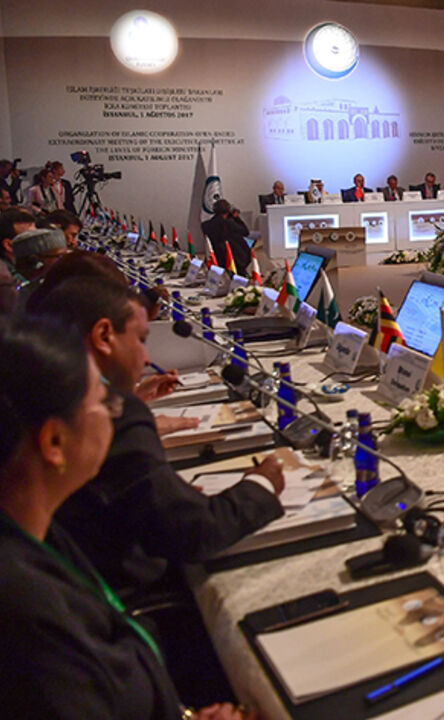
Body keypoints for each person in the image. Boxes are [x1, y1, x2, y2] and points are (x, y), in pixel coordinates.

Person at [28, 277, 286, 598]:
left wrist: (166, 493)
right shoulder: (102, 412)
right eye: (140, 339)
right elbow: (193, 531)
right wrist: (261, 484)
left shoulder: (37, 395)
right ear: (104, 336)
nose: (147, 358)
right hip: (134, 600)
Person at [0, 318, 184, 719]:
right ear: (53, 442)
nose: (115, 414)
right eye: (103, 404)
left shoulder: (37, 531)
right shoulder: (28, 616)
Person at [200, 199, 252, 276]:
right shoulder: (230, 223)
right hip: (234, 259)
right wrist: (236, 218)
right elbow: (245, 232)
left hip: (216, 258)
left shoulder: (206, 225)